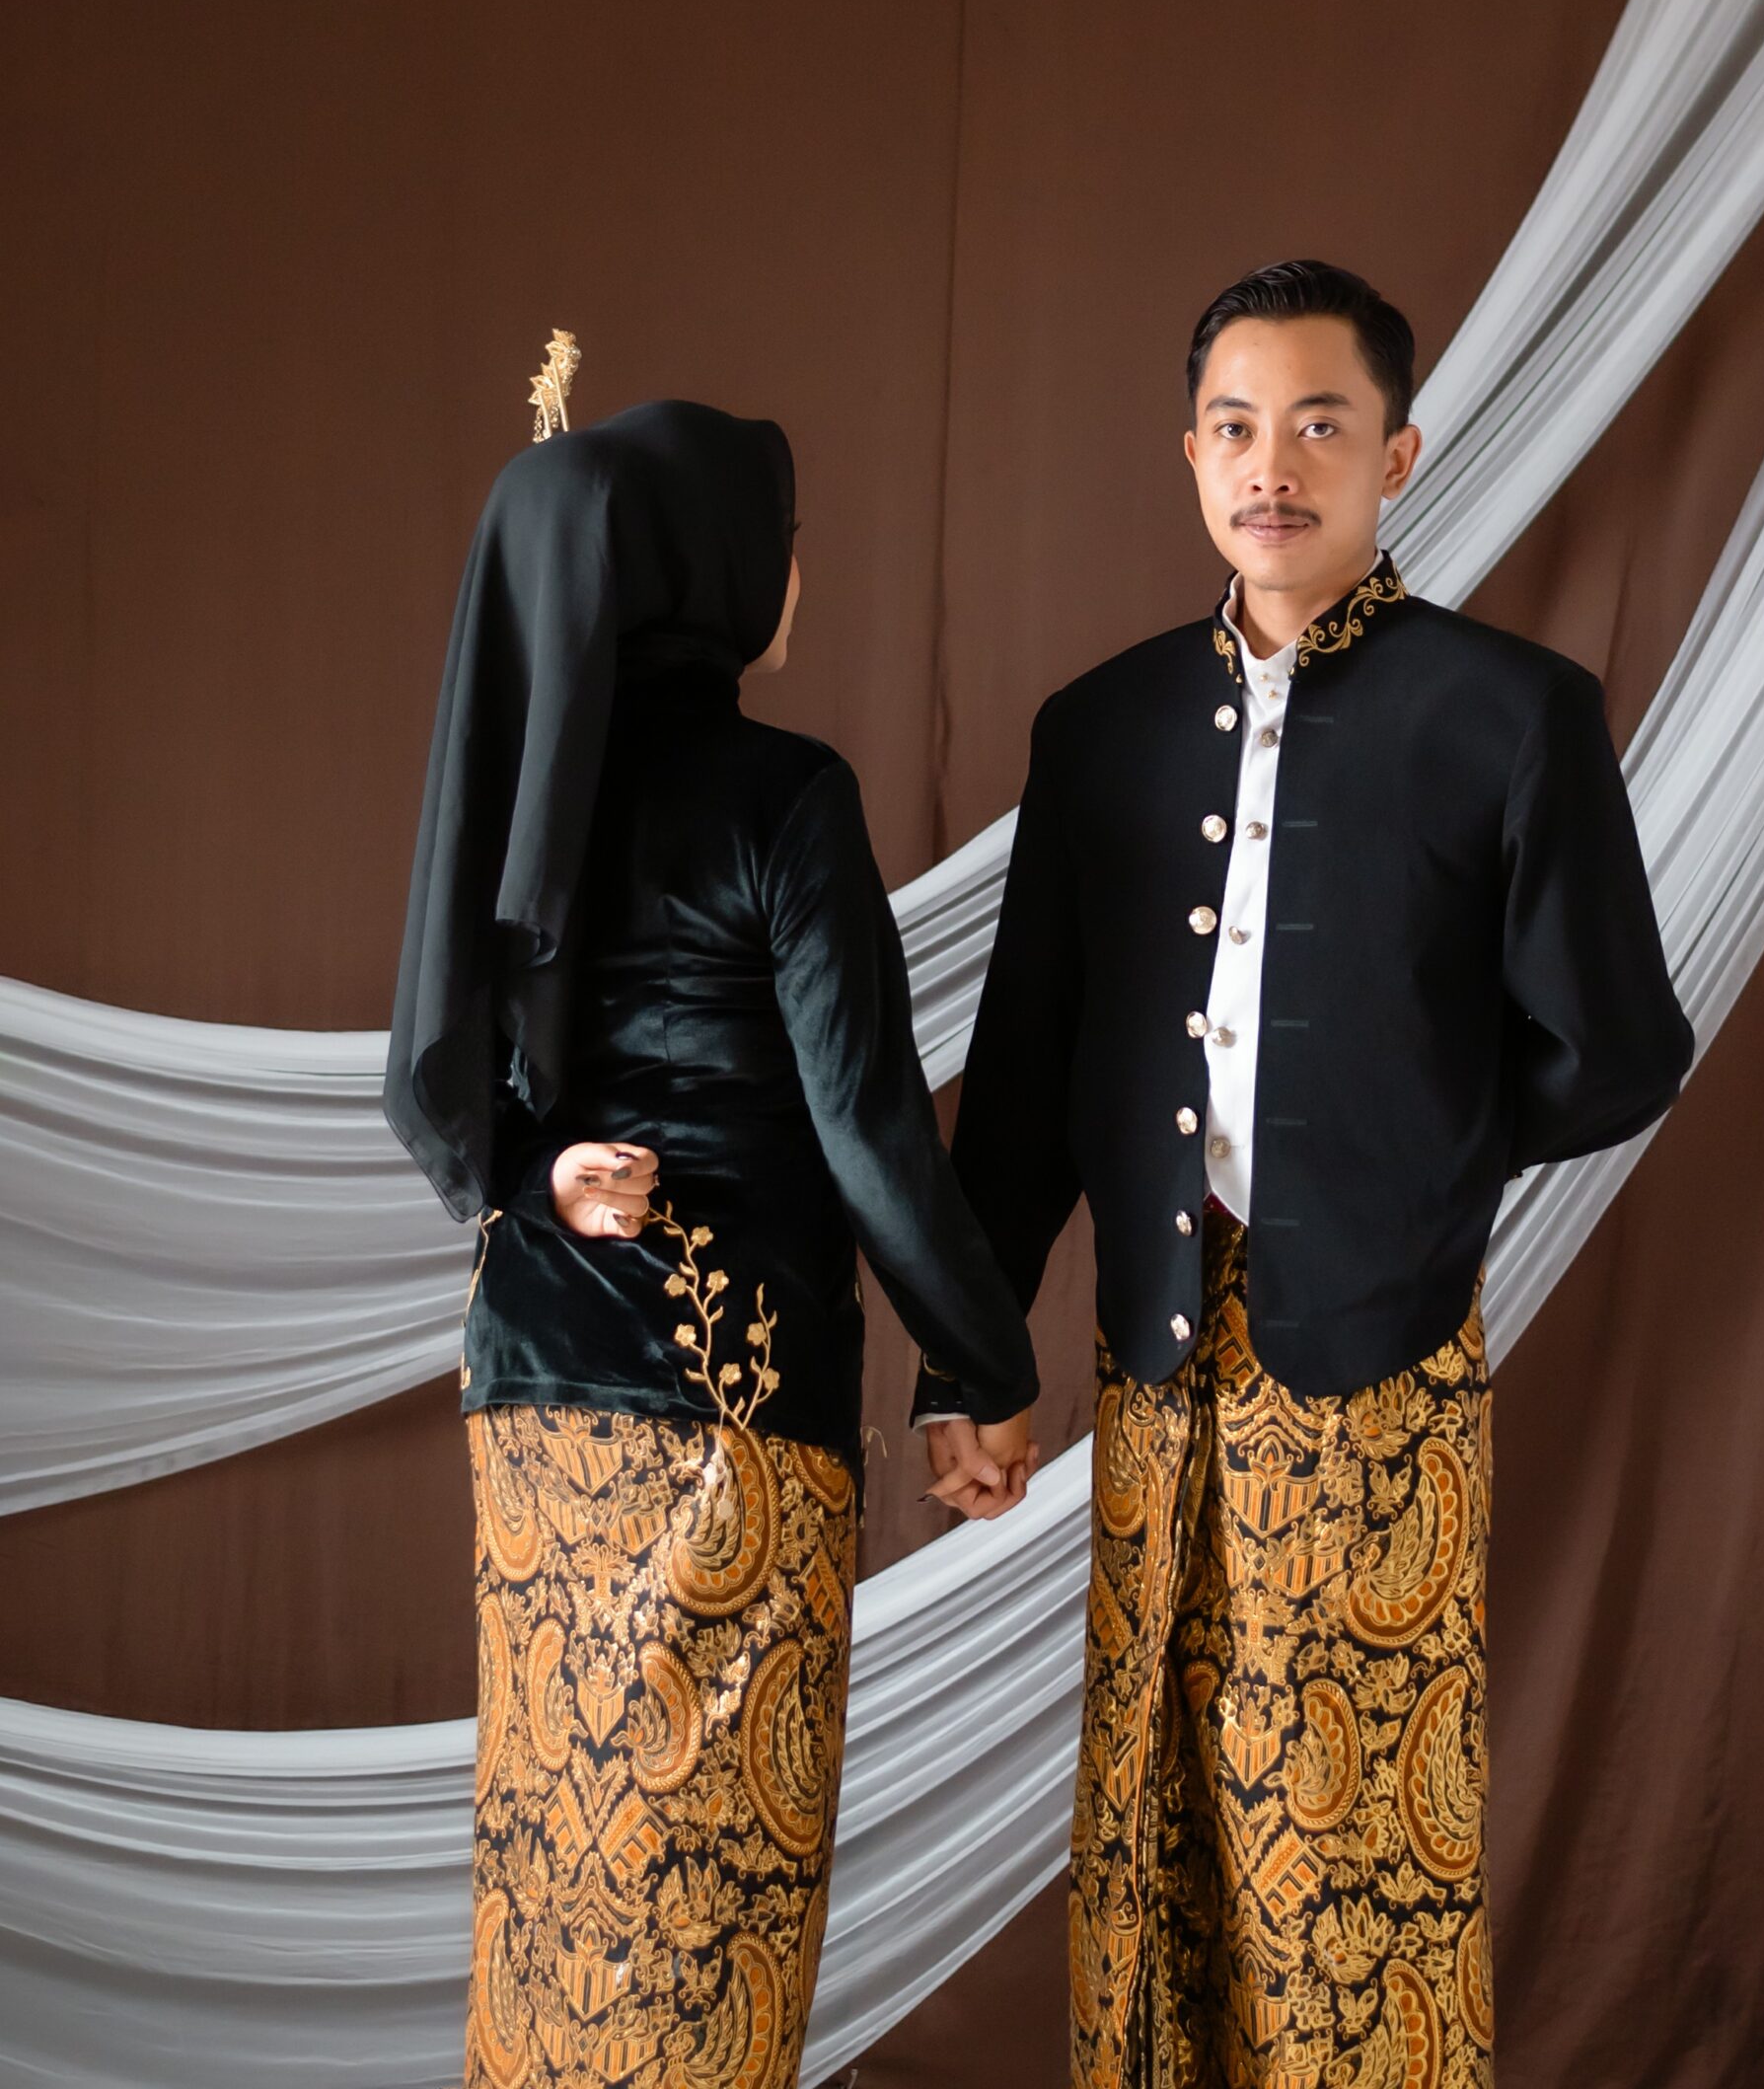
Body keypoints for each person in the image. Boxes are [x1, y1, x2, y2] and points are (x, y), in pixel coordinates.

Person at [919, 261, 1694, 2086]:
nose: (1274, 466)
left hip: (1382, 1358)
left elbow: (1625, 1046)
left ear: (1397, 456)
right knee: (1152, 1829)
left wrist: (1417, 1148)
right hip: (1156, 1359)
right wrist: (970, 1361)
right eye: (1238, 427)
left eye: (1321, 426)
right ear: (1191, 452)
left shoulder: (1510, 711)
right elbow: (1021, 1083)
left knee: (1354, 1868)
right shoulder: (1098, 728)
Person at [386, 394, 1039, 2089]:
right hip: (722, 1416)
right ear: (717, 567)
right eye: (787, 542)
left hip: (535, 1402)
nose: (800, 574)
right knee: (703, 1919)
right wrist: (982, 1362)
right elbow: (870, 1124)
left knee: (558, 1888)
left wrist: (537, 1175)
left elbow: (455, 1069)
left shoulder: (527, 787)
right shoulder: (782, 797)